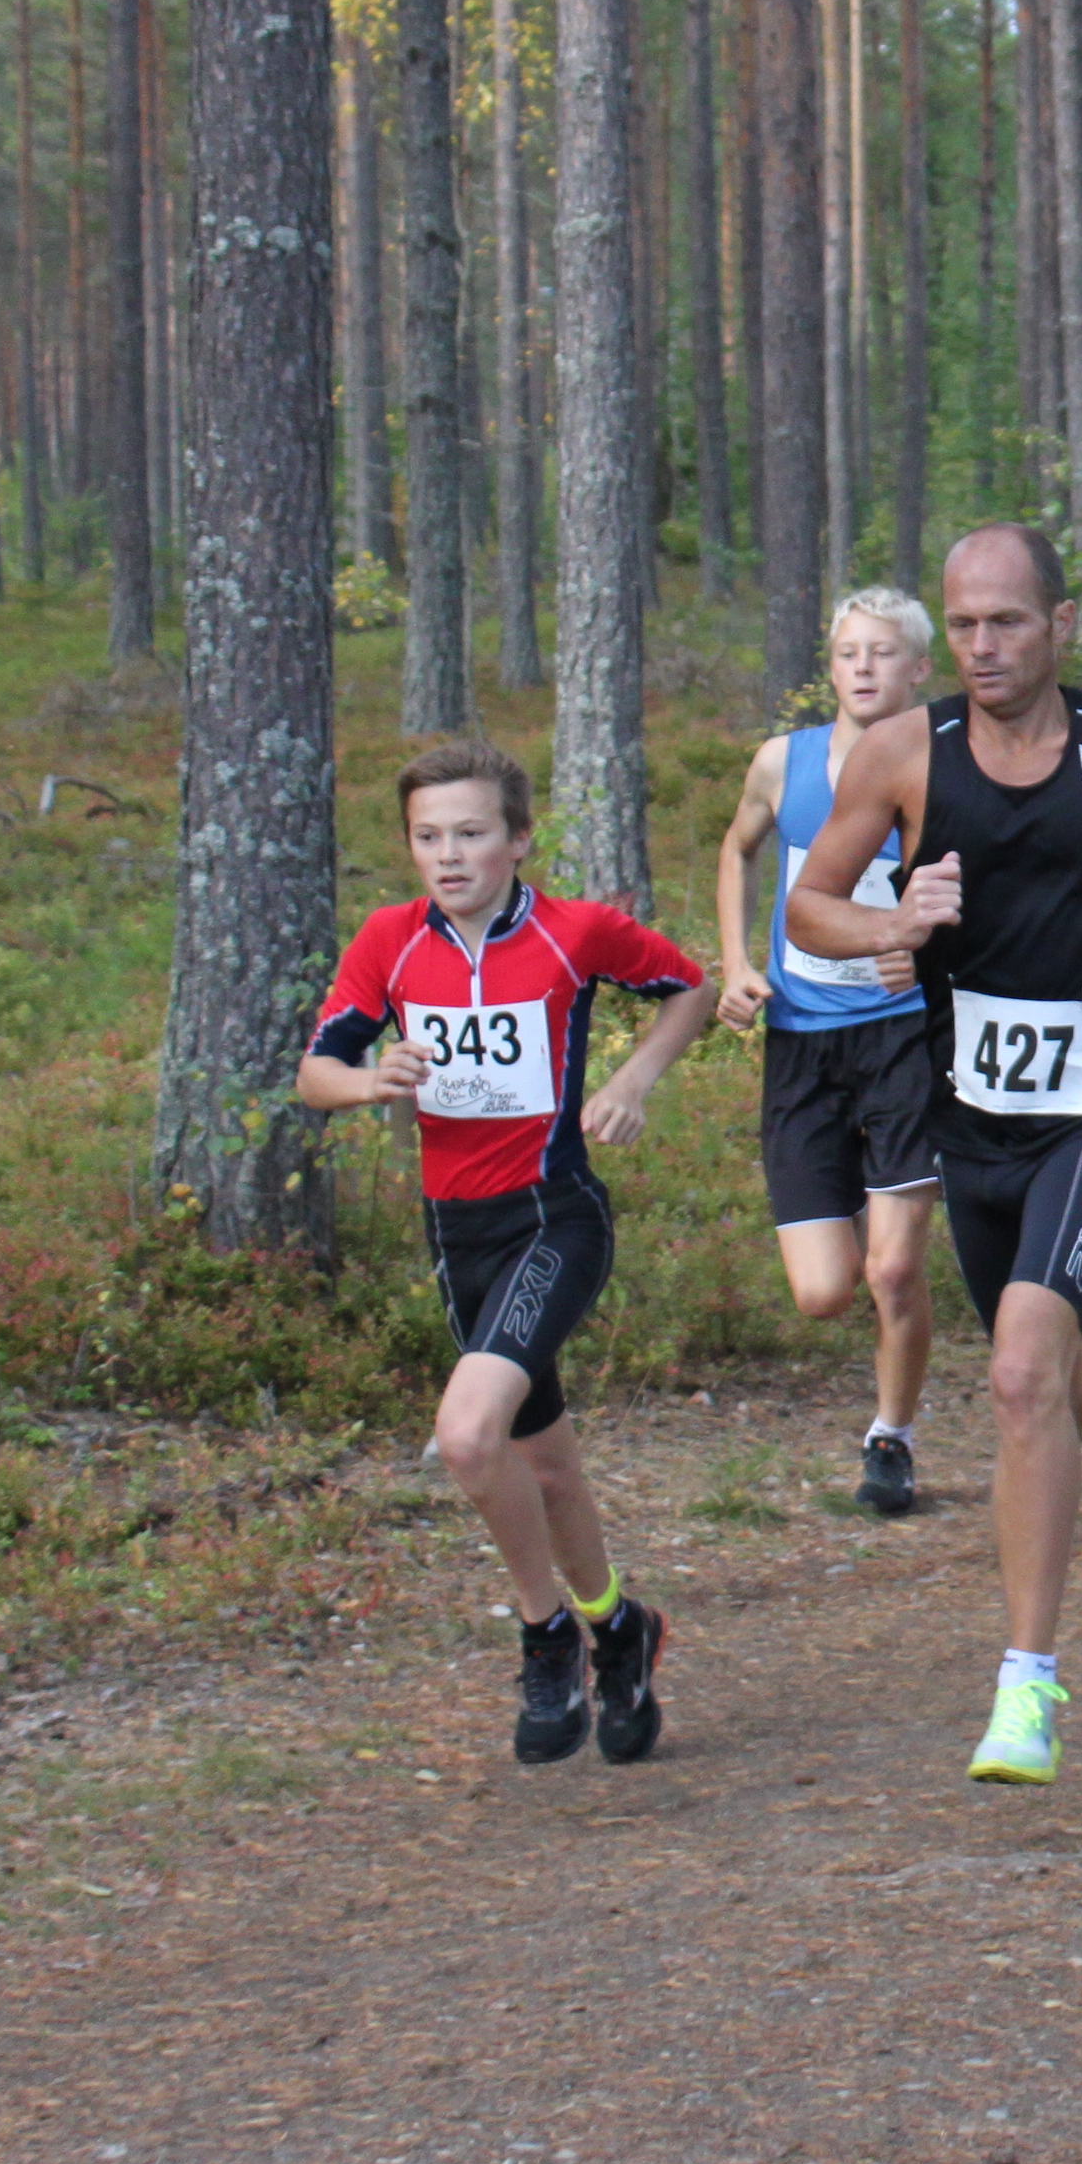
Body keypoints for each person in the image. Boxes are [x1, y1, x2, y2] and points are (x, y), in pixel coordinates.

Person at [791, 525, 1082, 1786]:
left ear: (1059, 625)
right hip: (975, 1119)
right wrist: (891, 922)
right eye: (963, 625)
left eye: (1008, 621)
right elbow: (807, 907)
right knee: (1045, 1377)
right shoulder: (906, 752)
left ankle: (1027, 1691)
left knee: (1014, 1370)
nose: (983, 647)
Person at [300, 738, 716, 1768]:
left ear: (519, 840)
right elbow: (317, 1072)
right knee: (551, 1471)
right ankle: (620, 1631)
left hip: (553, 1217)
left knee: (469, 1435)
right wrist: (372, 1080)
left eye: (472, 834)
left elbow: (689, 988)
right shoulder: (390, 942)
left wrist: (632, 1080)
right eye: (428, 837)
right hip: (457, 1234)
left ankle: (544, 1636)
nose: (450, 856)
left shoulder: (577, 934)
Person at [708, 586, 947, 1519]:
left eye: (884, 653)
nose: (863, 669)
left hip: (905, 1035)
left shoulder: (948, 762)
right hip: (802, 1038)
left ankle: (892, 1436)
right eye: (850, 652)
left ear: (918, 669)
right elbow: (737, 850)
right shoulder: (784, 761)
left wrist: (920, 944)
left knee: (892, 1269)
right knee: (822, 1292)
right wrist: (734, 962)